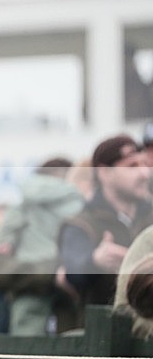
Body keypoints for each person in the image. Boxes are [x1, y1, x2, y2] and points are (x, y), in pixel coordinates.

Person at [58, 134, 153, 332]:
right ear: (104, 172)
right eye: (132, 166)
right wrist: (95, 261)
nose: (144, 173)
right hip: (102, 339)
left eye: (145, 164)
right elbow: (72, 274)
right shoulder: (81, 224)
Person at [0, 158, 84, 336]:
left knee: (26, 354)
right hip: (71, 301)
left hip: (28, 296)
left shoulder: (19, 210)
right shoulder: (81, 206)